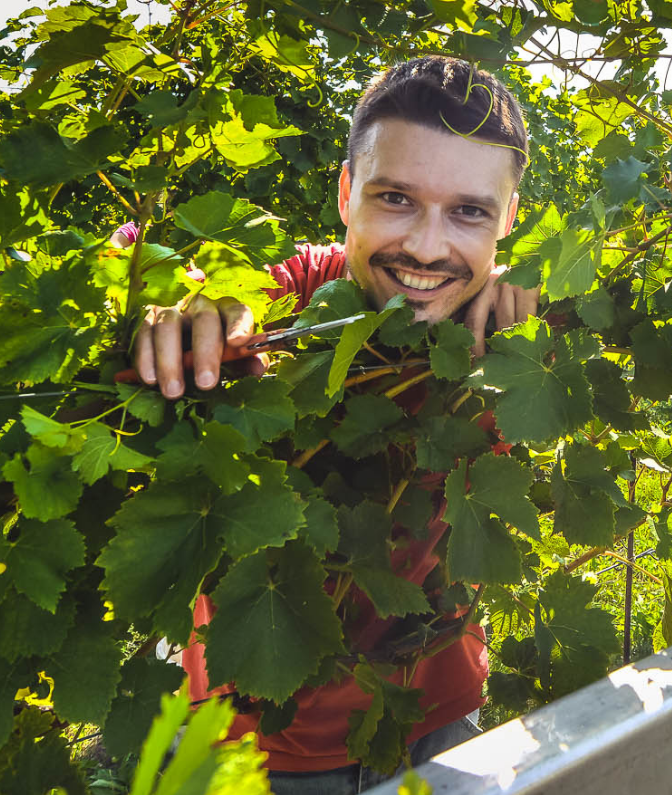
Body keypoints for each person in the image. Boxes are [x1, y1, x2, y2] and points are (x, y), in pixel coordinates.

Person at [120, 56, 540, 793]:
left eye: (469, 211)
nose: (428, 248)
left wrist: (541, 283)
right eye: (396, 199)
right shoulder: (290, 302)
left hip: (438, 713)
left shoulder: (512, 336)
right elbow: (177, 273)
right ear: (346, 194)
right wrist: (185, 301)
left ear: (509, 220)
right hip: (246, 739)